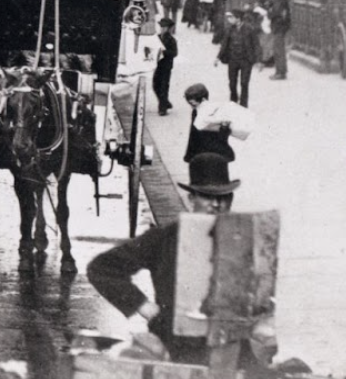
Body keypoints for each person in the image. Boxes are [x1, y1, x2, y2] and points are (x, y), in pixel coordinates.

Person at [85, 153, 246, 365]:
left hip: (233, 347)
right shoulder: (164, 238)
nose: (216, 204)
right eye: (207, 196)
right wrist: (145, 308)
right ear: (191, 199)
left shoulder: (243, 239)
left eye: (224, 197)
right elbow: (102, 267)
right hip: (178, 345)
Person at [182, 83, 235, 165]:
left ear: (203, 100)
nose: (192, 106)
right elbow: (193, 135)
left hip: (215, 154)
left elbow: (222, 135)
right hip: (202, 153)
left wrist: (224, 126)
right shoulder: (196, 111)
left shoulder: (214, 112)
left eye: (193, 104)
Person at [218, 7, 261, 107]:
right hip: (233, 59)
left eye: (231, 17)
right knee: (232, 83)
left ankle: (243, 105)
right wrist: (218, 57)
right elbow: (224, 44)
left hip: (246, 60)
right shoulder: (229, 29)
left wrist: (259, 60)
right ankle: (233, 100)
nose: (229, 19)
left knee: (244, 83)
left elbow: (256, 45)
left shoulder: (249, 29)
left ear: (238, 18)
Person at [153, 17, 178, 115]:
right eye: (161, 27)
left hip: (166, 66)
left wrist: (164, 52)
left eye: (164, 27)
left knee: (164, 86)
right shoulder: (157, 37)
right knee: (155, 85)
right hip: (158, 65)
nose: (162, 29)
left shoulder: (172, 40)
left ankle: (162, 108)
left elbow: (175, 53)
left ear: (168, 28)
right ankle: (166, 102)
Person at [267, 0, 292, 80]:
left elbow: (275, 12)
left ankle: (280, 72)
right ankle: (280, 71)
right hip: (280, 26)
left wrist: (269, 13)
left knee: (278, 49)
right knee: (279, 48)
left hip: (279, 26)